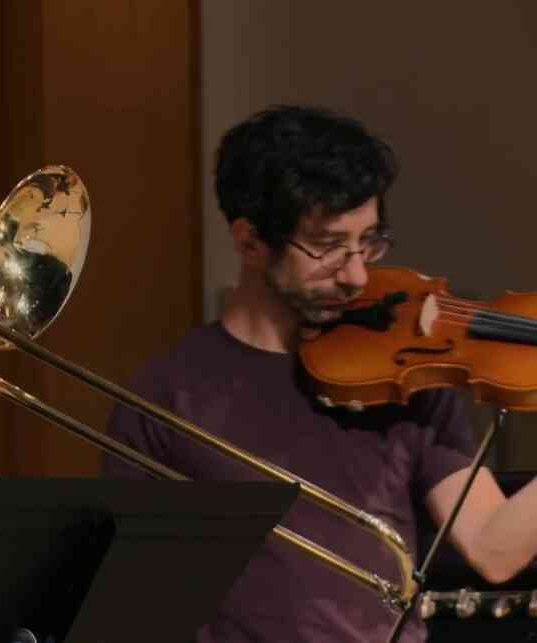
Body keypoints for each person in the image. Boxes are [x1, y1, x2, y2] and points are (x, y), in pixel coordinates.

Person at [105, 105, 537, 641]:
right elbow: (137, 604)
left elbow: (495, 549)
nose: (356, 274)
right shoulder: (166, 397)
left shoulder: (404, 373)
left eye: (368, 241)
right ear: (249, 241)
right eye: (329, 247)